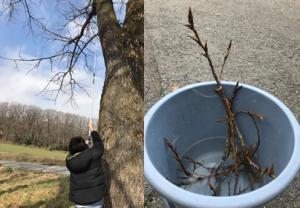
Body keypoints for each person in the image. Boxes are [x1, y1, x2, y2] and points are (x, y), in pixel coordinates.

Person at [66, 121, 105, 208]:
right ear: (83, 145)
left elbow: (70, 153)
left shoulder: (69, 161)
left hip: (79, 201)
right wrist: (92, 130)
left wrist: (84, 145)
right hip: (95, 198)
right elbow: (99, 144)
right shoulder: (93, 154)